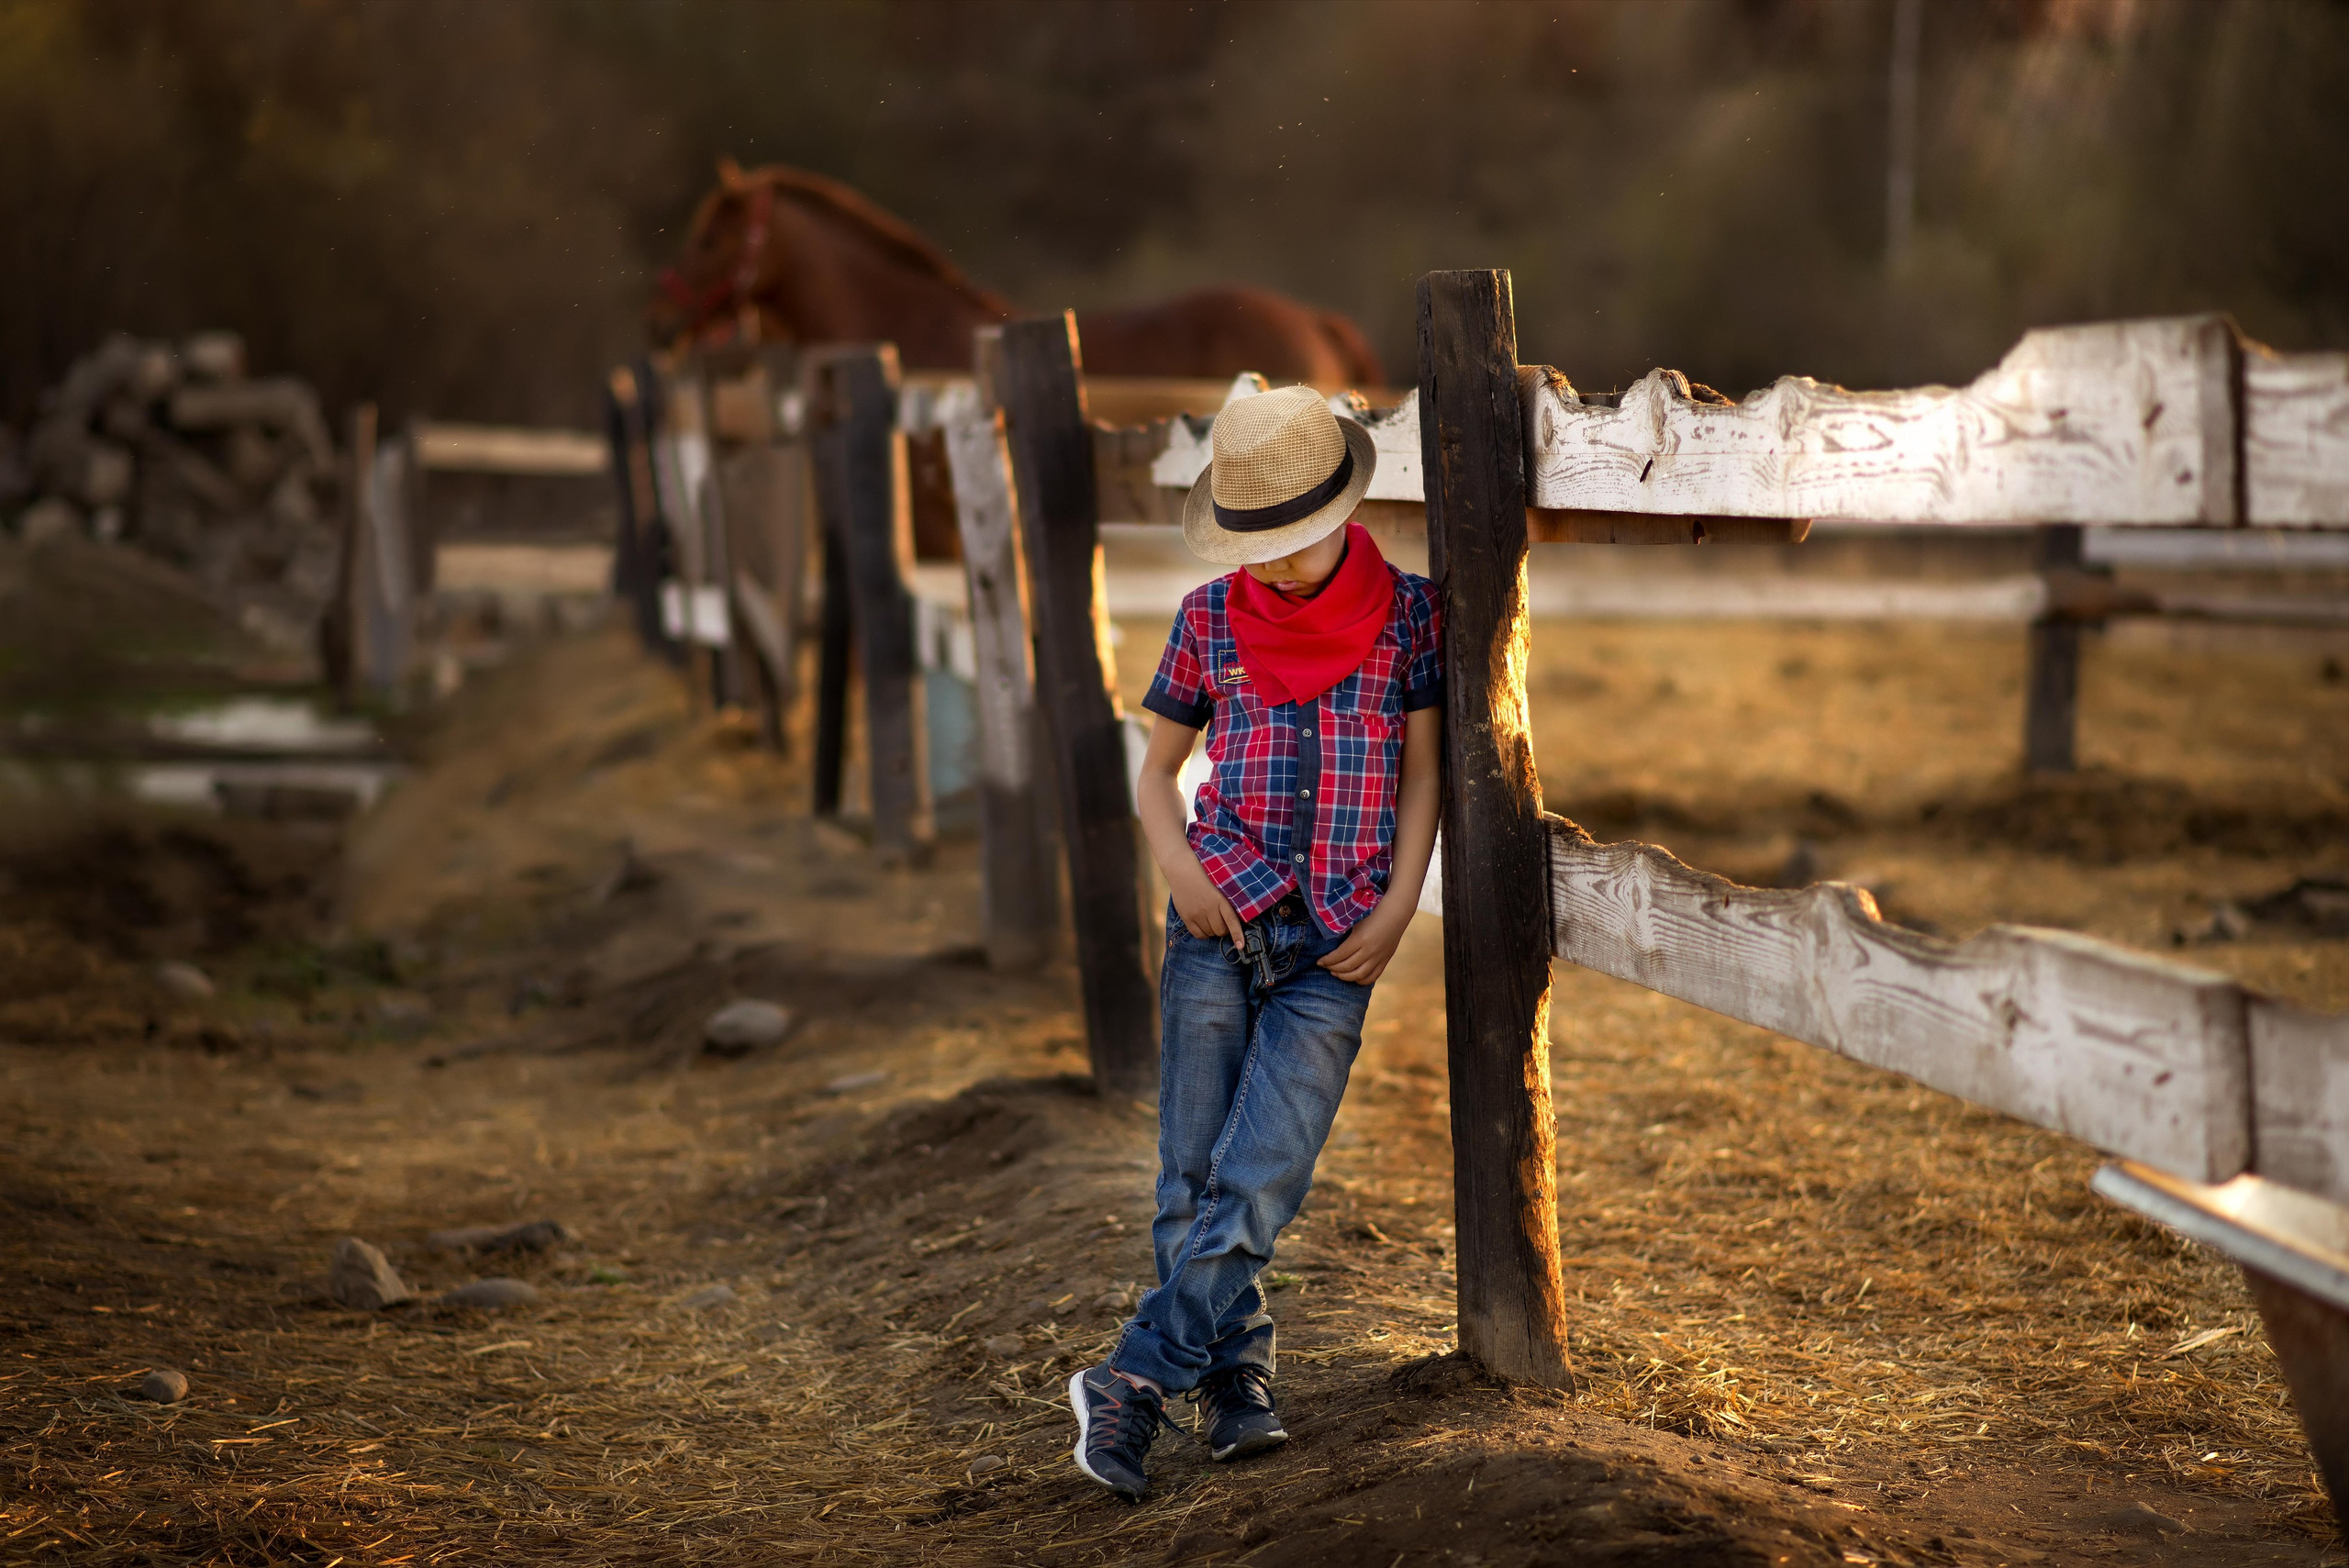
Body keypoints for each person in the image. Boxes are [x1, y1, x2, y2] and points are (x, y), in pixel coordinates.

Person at [1068, 384, 1442, 1501]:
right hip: (1216, 919)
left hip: (1336, 941)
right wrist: (1178, 871)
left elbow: (1423, 780)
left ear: (1342, 507)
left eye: (1292, 540)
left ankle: (1130, 1377)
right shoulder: (1206, 616)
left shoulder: (1413, 617)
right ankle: (1233, 1384)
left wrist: (1395, 910)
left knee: (1263, 1176)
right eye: (1255, 543)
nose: (1272, 564)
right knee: (1191, 1173)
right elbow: (1153, 775)